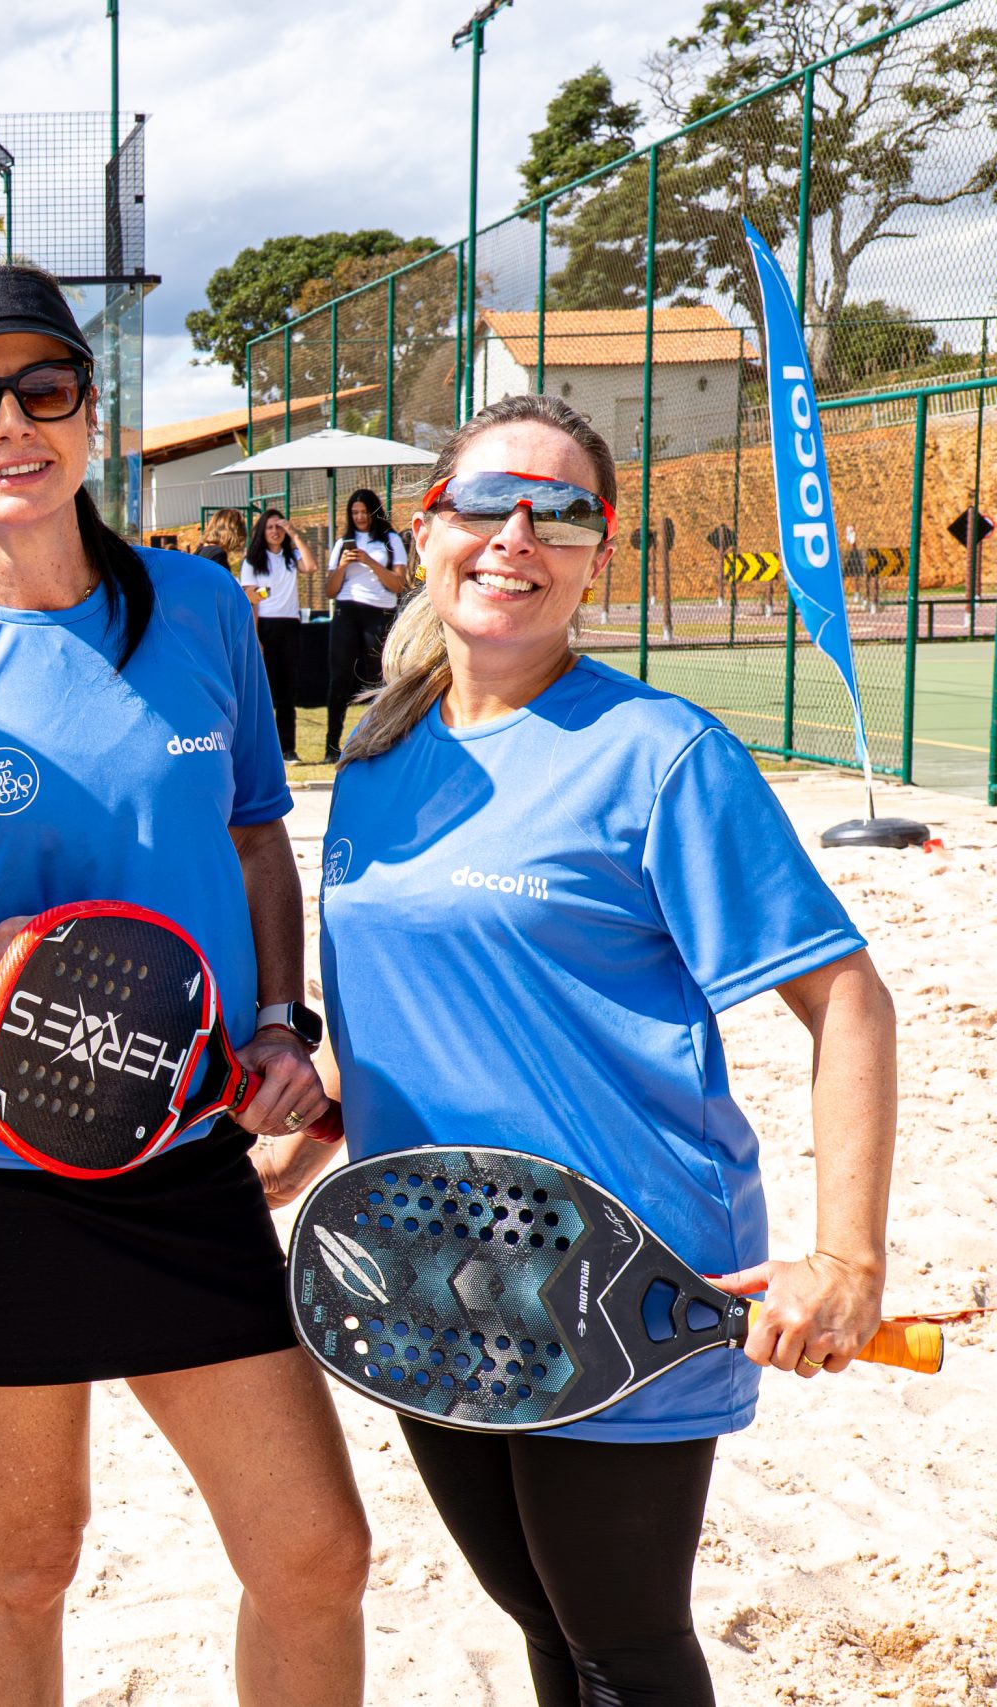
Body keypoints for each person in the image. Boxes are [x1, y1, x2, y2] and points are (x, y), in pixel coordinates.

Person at [0, 262, 370, 1707]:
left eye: (42, 389)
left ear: (90, 413)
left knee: (315, 1552)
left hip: (182, 1151)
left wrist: (280, 1024)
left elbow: (256, 837)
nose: (10, 425)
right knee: (27, 1560)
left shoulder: (200, 608)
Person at [299, 391, 899, 1706]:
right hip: (428, 1260)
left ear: (597, 554)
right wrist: (314, 1103)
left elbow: (848, 999)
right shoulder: (379, 755)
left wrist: (849, 1258)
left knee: (620, 1643)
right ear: (426, 527)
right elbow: (401, 1006)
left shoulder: (660, 755)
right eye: (487, 501)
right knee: (541, 1617)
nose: (518, 535)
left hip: (620, 1274)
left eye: (561, 513)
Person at [322, 488, 409, 760]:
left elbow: (398, 584)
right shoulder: (342, 543)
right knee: (339, 678)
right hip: (347, 609)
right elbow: (330, 590)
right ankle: (331, 745)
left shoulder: (391, 540)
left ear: (374, 512)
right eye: (354, 512)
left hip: (379, 610)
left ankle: (380, 739)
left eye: (364, 512)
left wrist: (369, 561)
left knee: (378, 675)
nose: (359, 517)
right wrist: (343, 566)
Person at [239, 508, 309, 761]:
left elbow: (311, 566)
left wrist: (294, 534)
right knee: (264, 690)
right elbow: (250, 600)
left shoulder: (291, 557)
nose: (275, 532)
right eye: (269, 527)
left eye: (278, 527)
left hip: (290, 624)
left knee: (287, 690)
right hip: (266, 626)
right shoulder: (252, 561)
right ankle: (262, 749)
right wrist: (256, 637)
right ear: (262, 531)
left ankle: (288, 748)